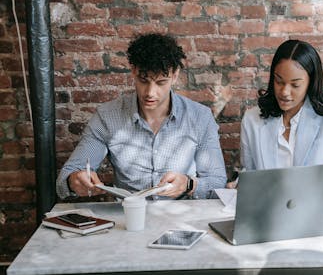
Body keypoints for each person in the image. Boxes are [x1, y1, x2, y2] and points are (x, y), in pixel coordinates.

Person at [56, 33, 227, 200]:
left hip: (183, 219)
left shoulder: (200, 117)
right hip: (129, 219)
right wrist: (75, 180)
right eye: (143, 80)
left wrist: (189, 185)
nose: (150, 93)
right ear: (133, 71)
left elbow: (217, 182)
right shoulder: (108, 117)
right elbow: (65, 178)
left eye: (161, 82)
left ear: (175, 76)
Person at [239, 39, 323, 177]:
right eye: (279, 81)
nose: (285, 92)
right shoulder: (252, 119)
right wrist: (239, 185)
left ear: (310, 83)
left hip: (318, 199)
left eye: (295, 85)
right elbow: (249, 177)